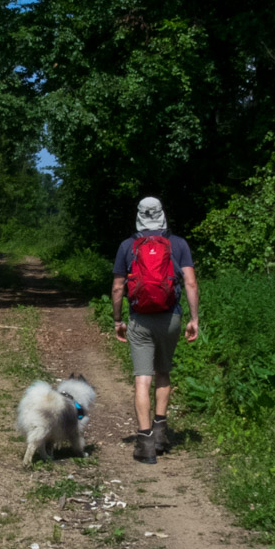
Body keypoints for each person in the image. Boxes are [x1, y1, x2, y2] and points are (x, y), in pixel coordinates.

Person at [111, 197, 199, 464]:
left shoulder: (128, 246)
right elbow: (191, 283)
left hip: (140, 319)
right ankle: (161, 433)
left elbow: (117, 288)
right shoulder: (178, 244)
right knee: (163, 372)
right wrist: (194, 319)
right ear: (162, 215)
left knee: (142, 378)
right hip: (170, 317)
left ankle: (146, 441)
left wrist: (117, 320)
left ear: (138, 216)